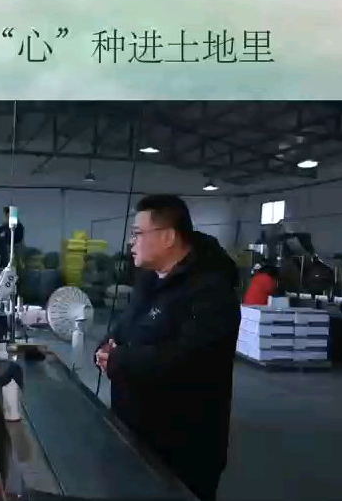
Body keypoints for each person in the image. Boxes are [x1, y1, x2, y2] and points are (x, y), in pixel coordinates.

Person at [95, 194, 240, 501]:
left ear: (168, 237)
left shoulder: (211, 292)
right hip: (134, 432)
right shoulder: (149, 281)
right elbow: (123, 328)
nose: (131, 242)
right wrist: (105, 346)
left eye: (138, 233)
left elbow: (186, 361)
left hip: (181, 447)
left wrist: (118, 359)